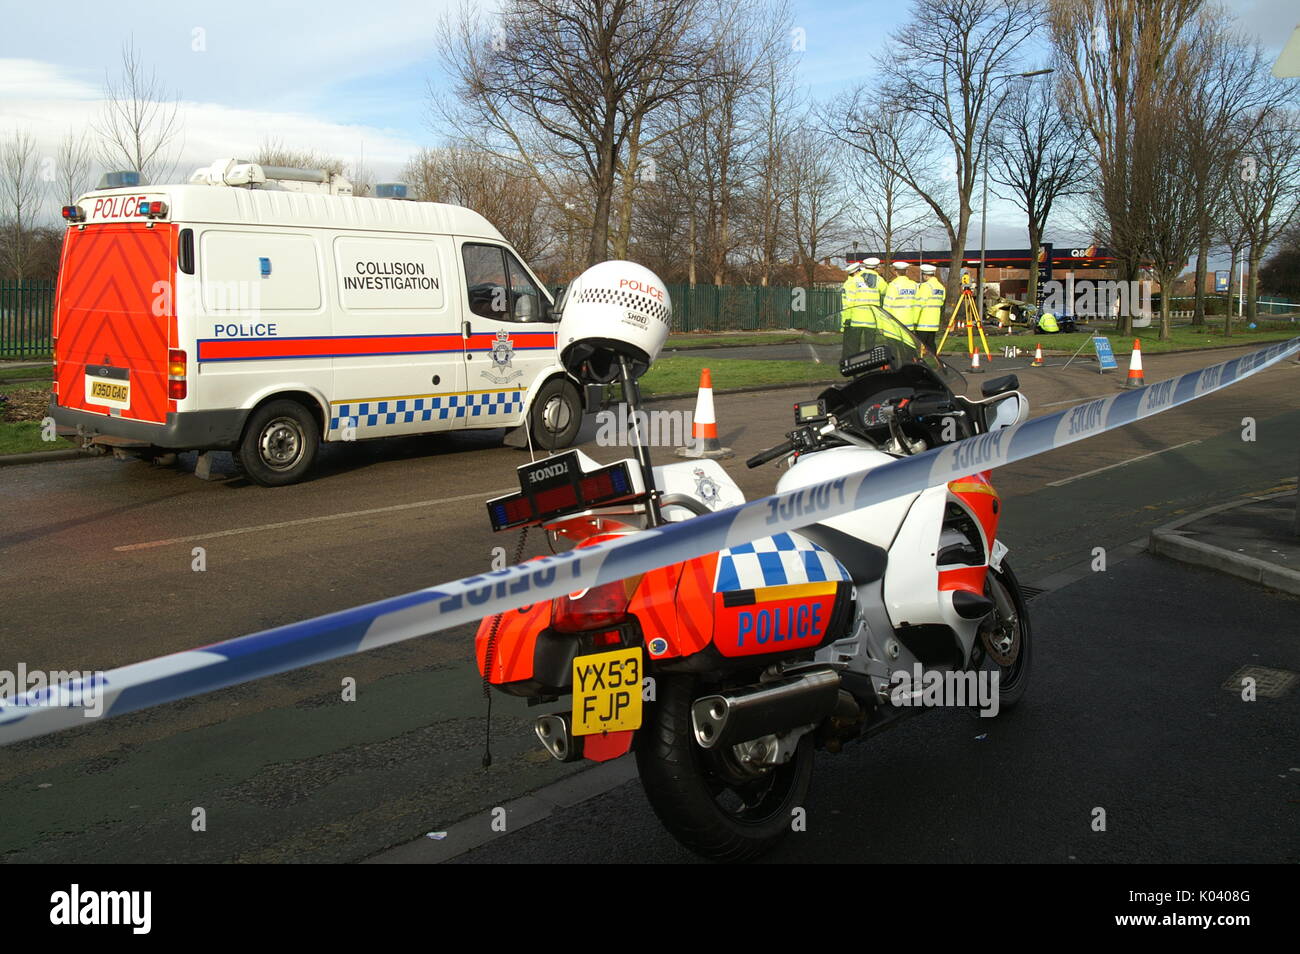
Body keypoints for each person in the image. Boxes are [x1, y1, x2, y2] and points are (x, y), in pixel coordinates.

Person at [914, 263, 945, 351]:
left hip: (923, 322)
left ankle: (918, 363)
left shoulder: (926, 286)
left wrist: (914, 321)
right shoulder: (941, 287)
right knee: (931, 343)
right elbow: (941, 302)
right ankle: (935, 362)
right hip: (934, 322)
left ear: (926, 275)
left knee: (919, 345)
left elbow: (919, 304)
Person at [884, 260, 919, 333]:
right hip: (910, 322)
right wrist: (915, 320)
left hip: (896, 322)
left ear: (895, 272)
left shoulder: (893, 285)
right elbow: (917, 304)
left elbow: (887, 305)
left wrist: (885, 322)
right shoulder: (914, 285)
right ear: (906, 272)